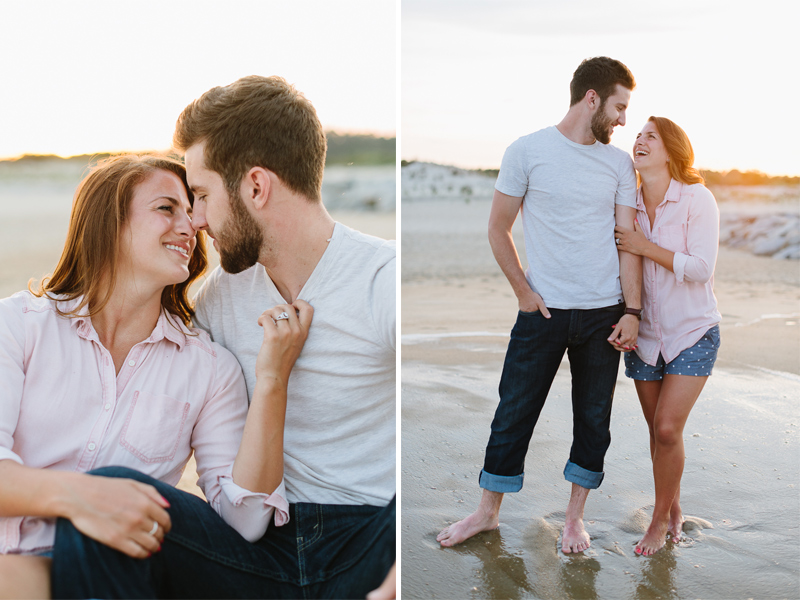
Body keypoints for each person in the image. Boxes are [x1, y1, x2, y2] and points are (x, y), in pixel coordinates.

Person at [52, 76, 396, 599]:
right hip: (260, 551)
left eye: (204, 195)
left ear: (256, 186)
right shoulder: (215, 297)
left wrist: (392, 586)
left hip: (369, 539)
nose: (197, 220)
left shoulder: (381, 279)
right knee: (107, 500)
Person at [0, 155, 310, 599]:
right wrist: (81, 498)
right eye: (167, 208)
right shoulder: (17, 326)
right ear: (108, 223)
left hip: (124, 578)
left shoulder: (208, 369)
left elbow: (244, 522)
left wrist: (273, 380)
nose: (189, 226)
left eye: (190, 211)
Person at [437, 56, 643, 553]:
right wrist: (523, 294)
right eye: (618, 107)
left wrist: (632, 311)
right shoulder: (527, 151)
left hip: (603, 315)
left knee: (594, 420)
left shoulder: (619, 164)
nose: (623, 120)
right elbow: (497, 227)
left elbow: (628, 240)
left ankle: (574, 521)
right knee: (514, 412)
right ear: (591, 98)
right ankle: (486, 514)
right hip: (542, 312)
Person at [614, 116, 721, 556]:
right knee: (658, 435)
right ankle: (673, 508)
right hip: (646, 336)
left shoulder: (698, 199)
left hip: (693, 331)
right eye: (637, 136)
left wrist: (643, 246)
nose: (639, 140)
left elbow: (701, 268)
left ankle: (658, 523)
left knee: (666, 427)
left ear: (671, 149)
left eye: (650, 136)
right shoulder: (629, 203)